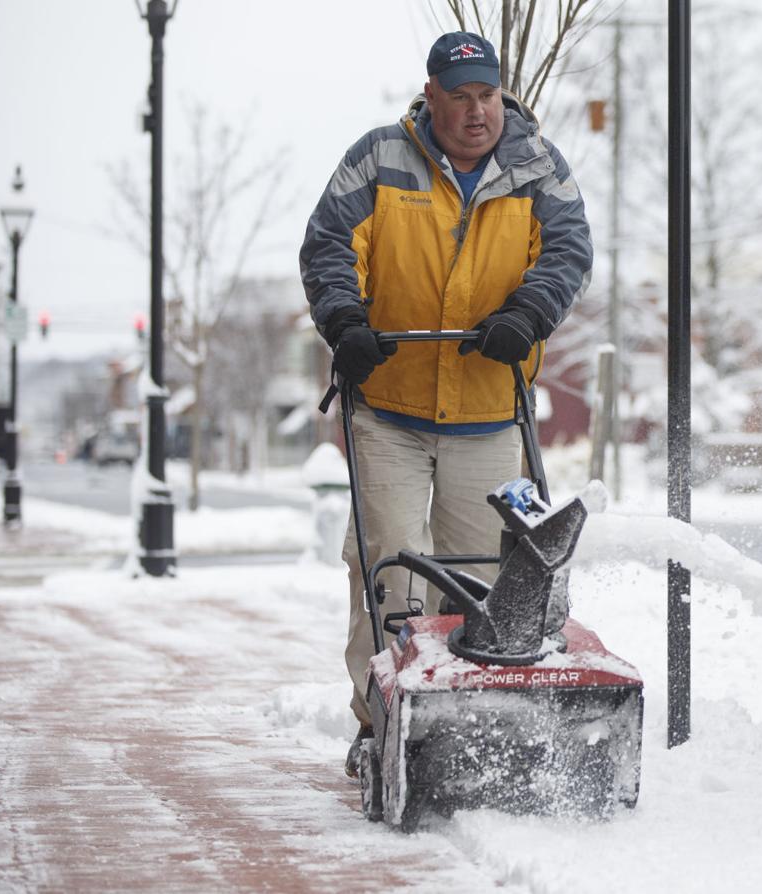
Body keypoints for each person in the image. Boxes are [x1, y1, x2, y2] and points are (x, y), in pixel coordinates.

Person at [298, 31, 592, 777]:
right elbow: (329, 245)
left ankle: (486, 722)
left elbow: (567, 252)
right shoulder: (377, 159)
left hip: (491, 409)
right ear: (429, 96)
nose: (474, 113)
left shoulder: (538, 167)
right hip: (388, 409)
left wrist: (527, 314)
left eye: (486, 96)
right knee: (389, 575)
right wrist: (346, 322)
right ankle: (381, 724)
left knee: (494, 581)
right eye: (458, 97)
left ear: (502, 97)